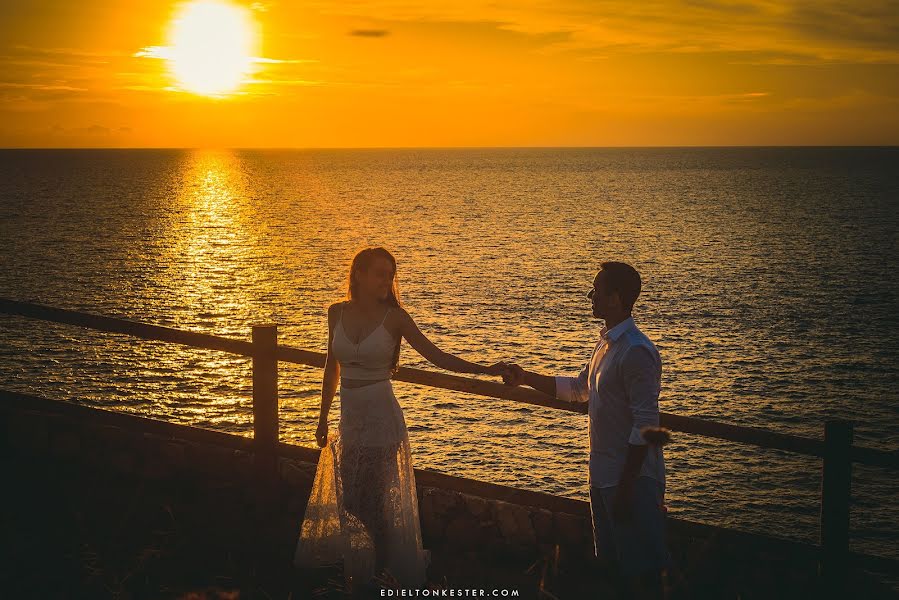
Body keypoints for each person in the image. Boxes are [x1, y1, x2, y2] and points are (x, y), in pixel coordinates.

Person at [293, 247, 510, 595]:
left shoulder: (396, 317)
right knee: (350, 502)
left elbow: (436, 355)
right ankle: (364, 573)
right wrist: (322, 420)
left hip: (382, 419)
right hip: (349, 421)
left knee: (377, 504)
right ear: (359, 274)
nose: (387, 281)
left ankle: (379, 579)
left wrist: (485, 369)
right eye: (380, 273)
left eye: (391, 275)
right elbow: (331, 368)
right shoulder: (336, 313)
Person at [504, 261, 670, 599]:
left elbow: (646, 425)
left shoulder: (637, 351)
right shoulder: (606, 345)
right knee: (615, 570)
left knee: (643, 577)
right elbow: (579, 388)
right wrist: (525, 378)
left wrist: (626, 487)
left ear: (616, 297)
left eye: (596, 289)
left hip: (630, 481)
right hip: (604, 475)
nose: (590, 295)